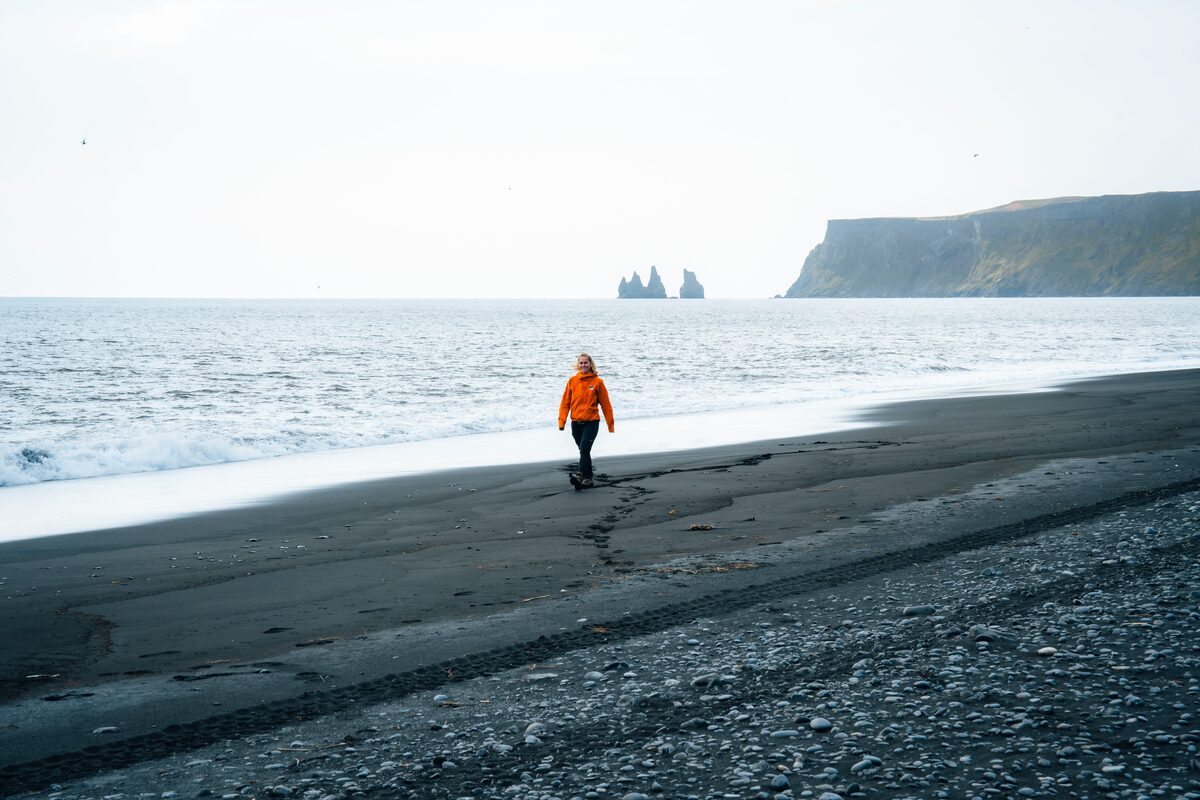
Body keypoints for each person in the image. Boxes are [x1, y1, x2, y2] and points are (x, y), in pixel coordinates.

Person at [557, 352, 614, 488]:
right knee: (584, 451)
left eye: (586, 363)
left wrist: (610, 424)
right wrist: (562, 421)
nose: (583, 365)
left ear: (590, 364)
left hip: (591, 422)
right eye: (581, 363)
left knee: (583, 449)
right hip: (576, 423)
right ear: (578, 365)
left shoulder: (598, 382)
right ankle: (588, 478)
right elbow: (565, 403)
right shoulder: (572, 381)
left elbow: (606, 405)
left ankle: (579, 475)